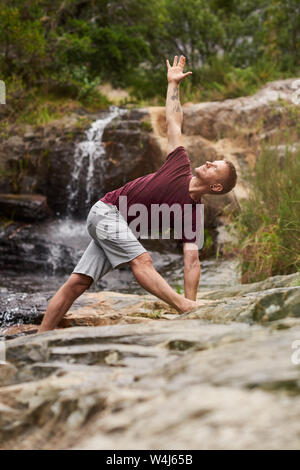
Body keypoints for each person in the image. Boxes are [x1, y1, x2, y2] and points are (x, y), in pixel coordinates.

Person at [38, 55, 237, 333]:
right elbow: (173, 122)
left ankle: (39, 337)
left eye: (215, 166)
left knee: (77, 284)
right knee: (142, 260)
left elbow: (192, 262)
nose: (209, 162)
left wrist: (193, 305)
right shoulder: (180, 163)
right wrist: (172, 86)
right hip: (106, 212)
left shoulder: (193, 215)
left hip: (119, 230)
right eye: (212, 160)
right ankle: (180, 305)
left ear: (216, 187)